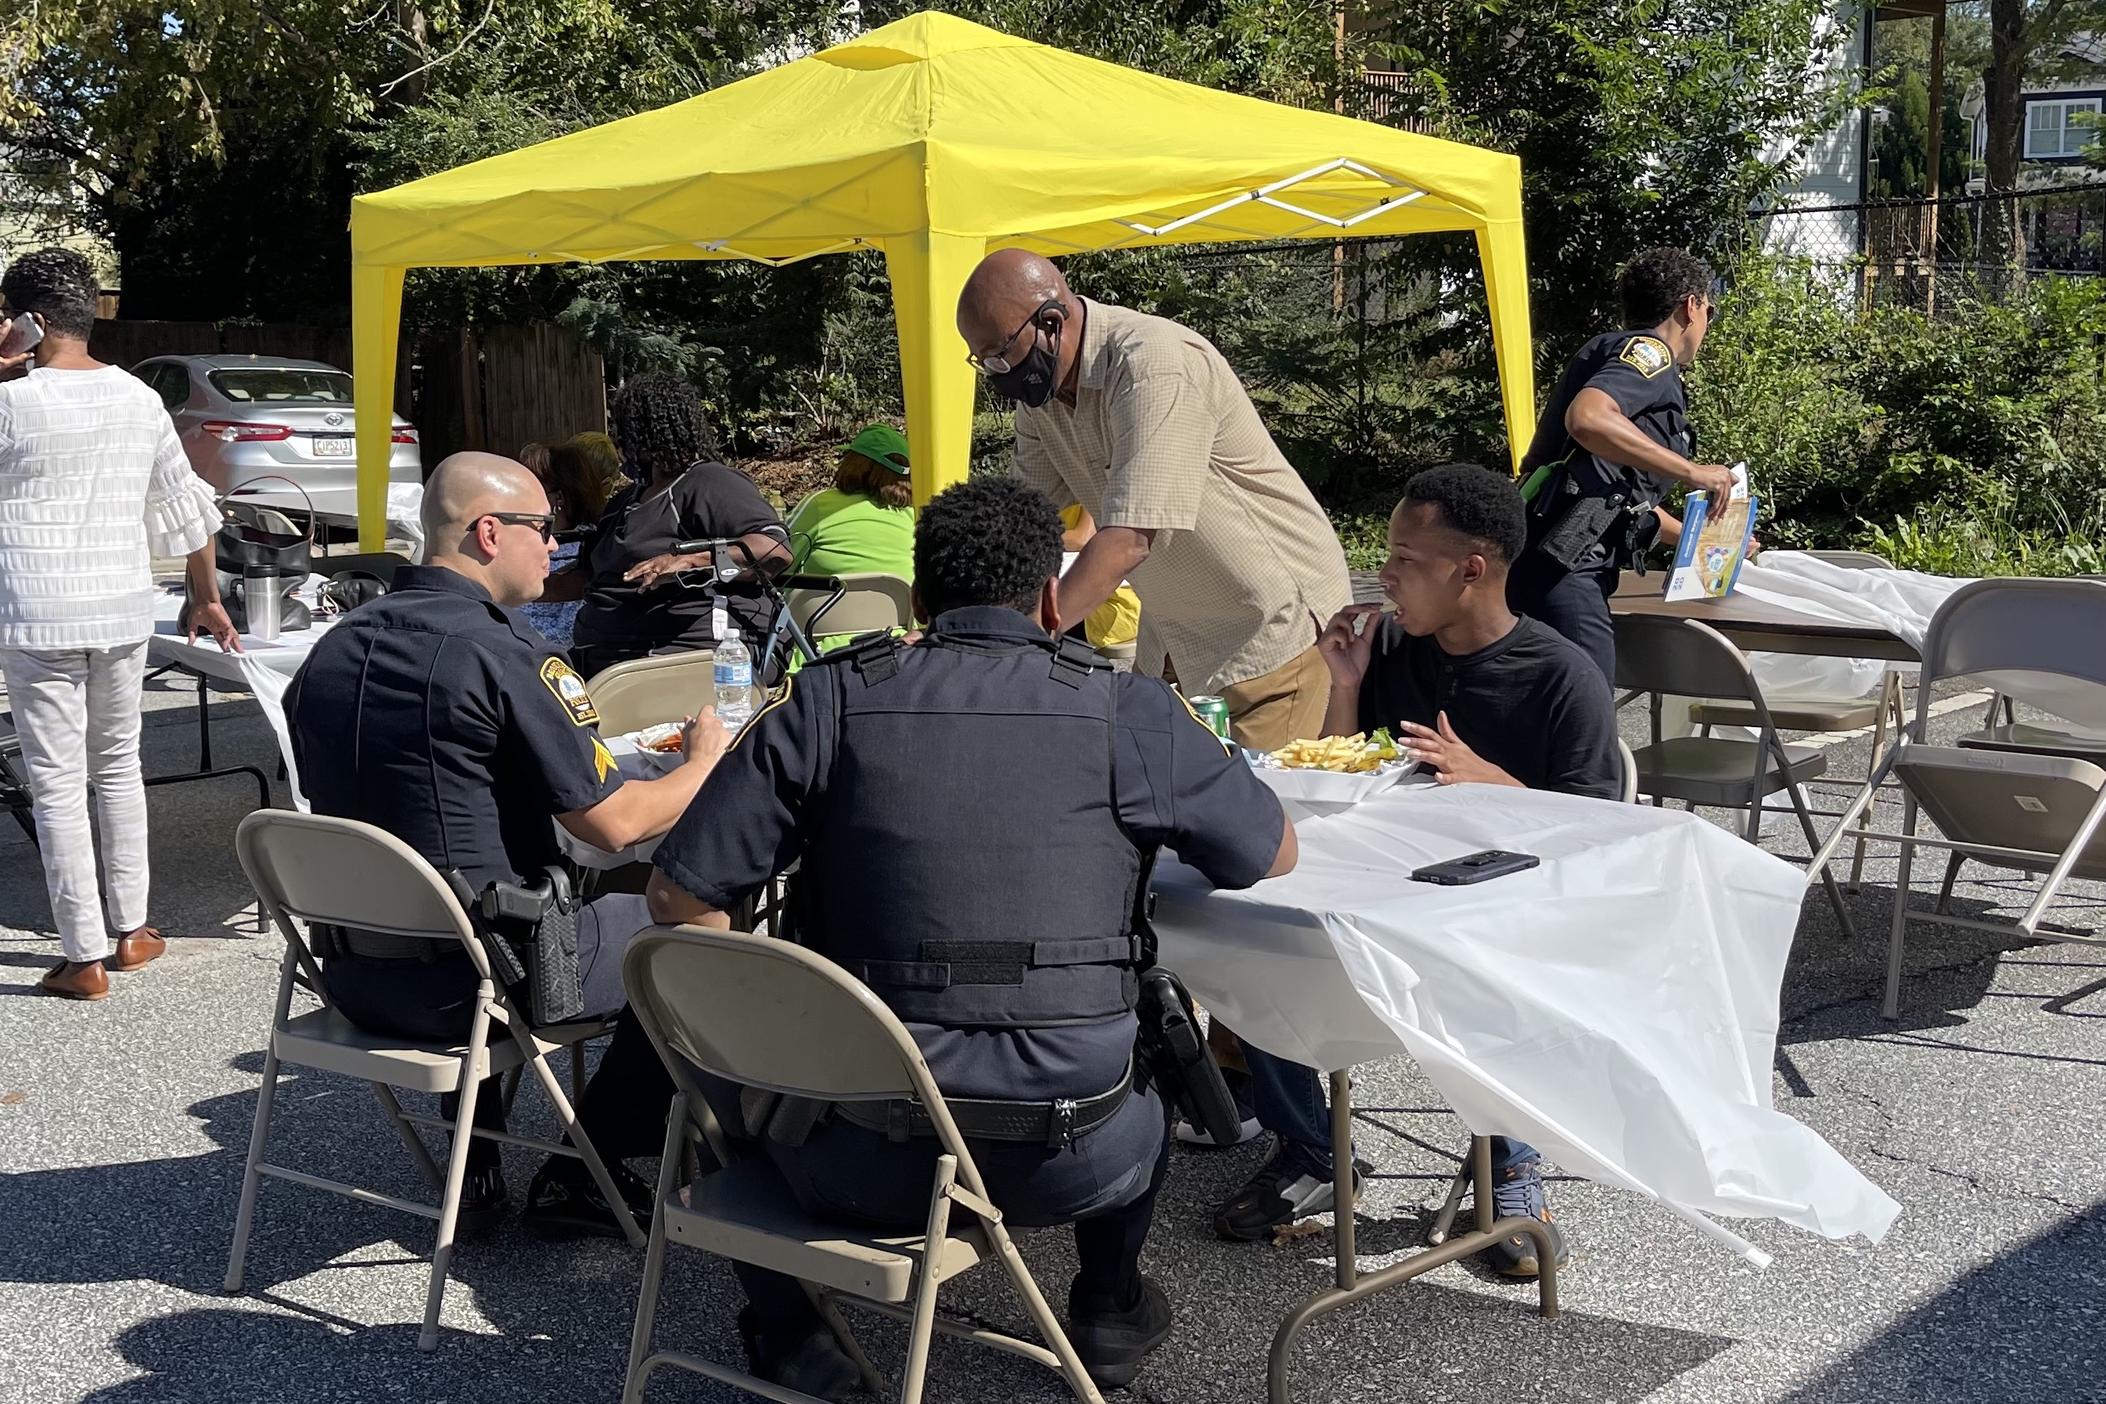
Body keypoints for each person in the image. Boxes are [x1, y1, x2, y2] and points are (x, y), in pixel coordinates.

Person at [642, 477, 1298, 1397]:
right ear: (1048, 599)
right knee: (1153, 1039)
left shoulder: (826, 704)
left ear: (917, 602)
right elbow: (1271, 853)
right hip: (1079, 1154)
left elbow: (679, 900)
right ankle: (1106, 1306)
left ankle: (793, 1332)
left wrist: (782, 1023)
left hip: (853, 1157)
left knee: (711, 1049)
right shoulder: (1129, 712)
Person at [285, 451, 730, 1231]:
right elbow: (617, 823)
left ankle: (479, 1161)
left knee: (473, 873)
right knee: (701, 927)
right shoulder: (504, 655)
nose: (555, 548)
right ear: (490, 533)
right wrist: (705, 764)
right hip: (483, 984)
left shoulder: (329, 651)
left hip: (352, 974)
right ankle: (582, 1168)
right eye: (545, 529)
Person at [1221, 464, 1616, 1276]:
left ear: (1471, 571)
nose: (1386, 575)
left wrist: (1493, 782)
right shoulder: (1397, 650)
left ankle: (1509, 1165)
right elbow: (1349, 772)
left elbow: (1602, 832)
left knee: (1497, 984)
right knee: (1245, 942)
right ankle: (1312, 1151)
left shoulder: (1559, 675)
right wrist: (1346, 686)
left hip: (1500, 915)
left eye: (1405, 559)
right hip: (1380, 890)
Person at [957, 248, 1350, 748]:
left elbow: (1127, 540)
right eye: (982, 359)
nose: (995, 372)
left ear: (1052, 322)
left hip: (1271, 636)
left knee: (1265, 812)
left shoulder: (1155, 364)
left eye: (1000, 354)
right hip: (1177, 641)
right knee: (1162, 802)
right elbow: (1013, 523)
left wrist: (1024, 632)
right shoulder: (1042, 399)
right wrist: (960, 622)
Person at [0, 247, 239, 1002]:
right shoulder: (137, 398)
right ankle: (133, 928)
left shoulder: (9, 402)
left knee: (58, 782)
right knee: (115, 767)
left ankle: (83, 955)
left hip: (37, 612)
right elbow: (188, 505)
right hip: (120, 606)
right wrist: (205, 595)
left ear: (31, 321)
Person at [1507, 247, 1737, 683]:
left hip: (1545, 558)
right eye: (1711, 310)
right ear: (1690, 306)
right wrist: (1695, 471)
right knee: (1587, 723)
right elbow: (1588, 418)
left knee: (1547, 719)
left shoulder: (1616, 351)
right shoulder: (1650, 354)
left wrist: (1708, 541)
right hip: (1566, 565)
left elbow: (1620, 499)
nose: (1708, 323)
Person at [542, 375, 790, 679]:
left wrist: (691, 561)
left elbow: (774, 550)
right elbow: (591, 578)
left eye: (624, 429)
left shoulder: (711, 482)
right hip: (601, 659)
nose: (619, 442)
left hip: (686, 656)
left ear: (647, 430)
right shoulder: (623, 502)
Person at [521, 435, 625, 649]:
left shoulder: (587, 549)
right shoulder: (521, 539)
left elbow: (568, 634)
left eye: (527, 489)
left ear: (558, 497)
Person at [785, 422, 916, 582]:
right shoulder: (915, 516)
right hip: (901, 607)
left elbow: (776, 559)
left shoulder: (819, 506)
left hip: (826, 607)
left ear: (854, 463)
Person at [1059, 503, 1142, 660]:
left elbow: (1081, 538)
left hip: (1117, 606)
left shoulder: (1087, 491)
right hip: (1090, 596)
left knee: (1040, 615)